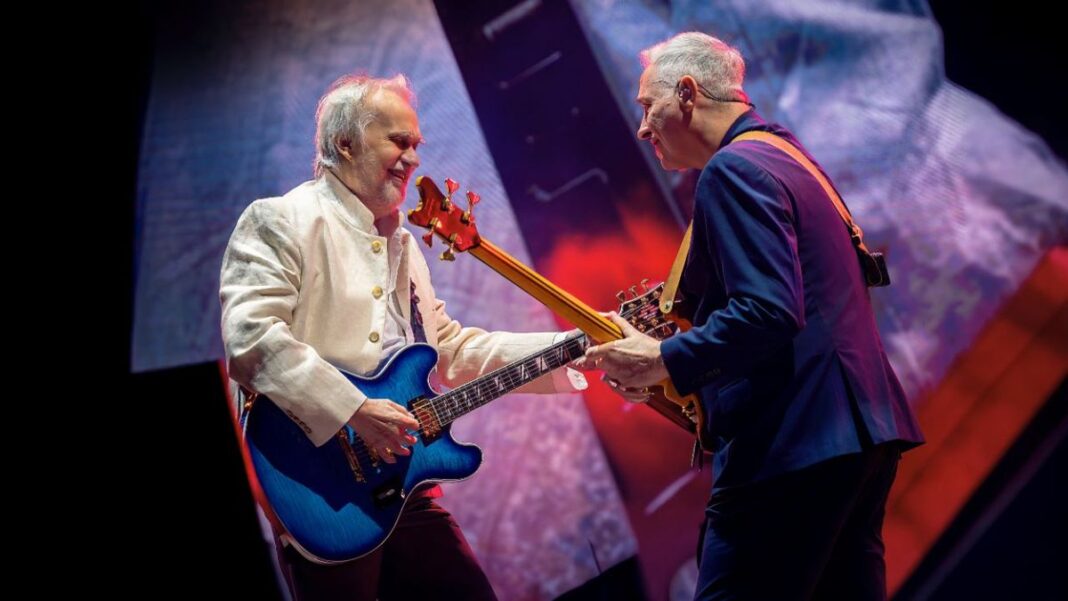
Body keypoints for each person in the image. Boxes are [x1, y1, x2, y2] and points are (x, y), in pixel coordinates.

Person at [579, 32, 924, 600]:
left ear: (687, 93)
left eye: (648, 107)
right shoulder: (786, 155)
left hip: (790, 448)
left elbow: (767, 311)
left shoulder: (731, 170)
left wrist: (663, 358)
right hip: (859, 436)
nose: (642, 128)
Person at [220, 74, 585, 601]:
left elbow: (449, 349)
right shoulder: (281, 220)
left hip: (405, 484)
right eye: (399, 141)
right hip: (321, 491)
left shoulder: (403, 244)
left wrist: (577, 345)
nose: (413, 158)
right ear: (344, 143)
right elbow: (250, 338)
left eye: (417, 144)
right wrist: (354, 410)